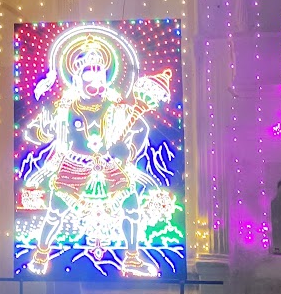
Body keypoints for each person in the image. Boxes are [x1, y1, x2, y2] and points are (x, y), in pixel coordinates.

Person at [19, 24, 174, 278]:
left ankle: (131, 258)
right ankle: (41, 254)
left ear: (107, 76)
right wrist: (43, 126)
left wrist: (128, 151)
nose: (95, 79)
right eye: (88, 73)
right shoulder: (64, 109)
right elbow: (38, 134)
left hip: (110, 165)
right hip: (74, 166)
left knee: (131, 206)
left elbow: (141, 128)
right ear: (76, 78)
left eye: (99, 72)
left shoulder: (117, 107)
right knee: (55, 212)